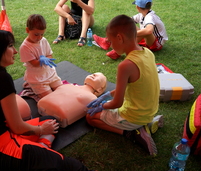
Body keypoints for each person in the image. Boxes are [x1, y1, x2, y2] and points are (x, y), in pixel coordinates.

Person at [0, 28, 179, 171]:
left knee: (50, 121)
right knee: (71, 167)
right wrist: (40, 129)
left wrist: (42, 127)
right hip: (0, 149)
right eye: (10, 46)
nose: (14, 51)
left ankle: (39, 157)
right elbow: (17, 127)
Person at [86, 15, 163, 156]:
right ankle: (147, 123)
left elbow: (117, 103)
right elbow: (135, 87)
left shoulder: (125, 65)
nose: (110, 45)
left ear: (120, 38)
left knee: (91, 118)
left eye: (110, 41)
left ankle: (132, 133)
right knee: (107, 106)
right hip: (149, 110)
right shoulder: (148, 53)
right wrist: (107, 94)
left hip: (134, 116)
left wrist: (102, 105)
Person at [93, 0, 168, 60]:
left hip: (157, 44)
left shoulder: (150, 17)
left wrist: (130, 34)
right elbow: (126, 22)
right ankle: (107, 41)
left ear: (137, 7)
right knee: (127, 23)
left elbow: (149, 31)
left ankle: (117, 52)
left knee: (145, 32)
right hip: (147, 40)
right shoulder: (141, 15)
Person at [38, 72, 107, 128]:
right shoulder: (70, 85)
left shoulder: (92, 98)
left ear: (100, 89)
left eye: (97, 77)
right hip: (46, 107)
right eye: (93, 74)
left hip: (58, 115)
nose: (93, 75)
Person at [20, 14, 62, 99]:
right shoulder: (25, 47)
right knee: (51, 98)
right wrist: (41, 60)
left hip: (49, 73)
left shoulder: (43, 40)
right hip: (37, 78)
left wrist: (47, 59)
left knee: (62, 91)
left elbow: (49, 54)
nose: (39, 37)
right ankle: (32, 86)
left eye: (42, 34)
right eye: (36, 34)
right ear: (27, 30)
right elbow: (34, 64)